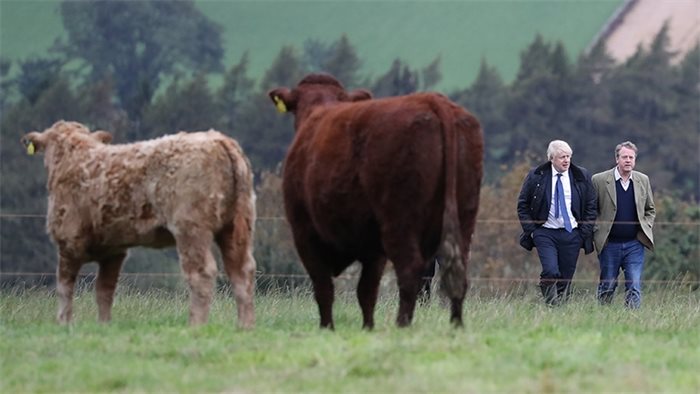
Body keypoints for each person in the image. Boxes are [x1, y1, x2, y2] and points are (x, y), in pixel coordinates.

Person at [517, 140, 597, 305]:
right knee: (551, 270)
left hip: (572, 233)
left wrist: (583, 233)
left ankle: (559, 310)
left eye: (568, 156)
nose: (566, 160)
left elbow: (591, 205)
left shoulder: (581, 176)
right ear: (551, 158)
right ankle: (551, 304)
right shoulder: (536, 176)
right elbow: (522, 205)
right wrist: (532, 231)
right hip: (545, 233)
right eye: (562, 157)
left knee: (566, 277)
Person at [592, 141, 655, 309]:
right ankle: (603, 317)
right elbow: (591, 210)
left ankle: (632, 320)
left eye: (631, 157)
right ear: (616, 159)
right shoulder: (599, 180)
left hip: (634, 244)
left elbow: (650, 209)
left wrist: (646, 226)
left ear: (635, 160)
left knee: (634, 284)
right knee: (608, 285)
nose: (628, 160)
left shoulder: (643, 180)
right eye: (624, 157)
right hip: (609, 244)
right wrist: (596, 230)